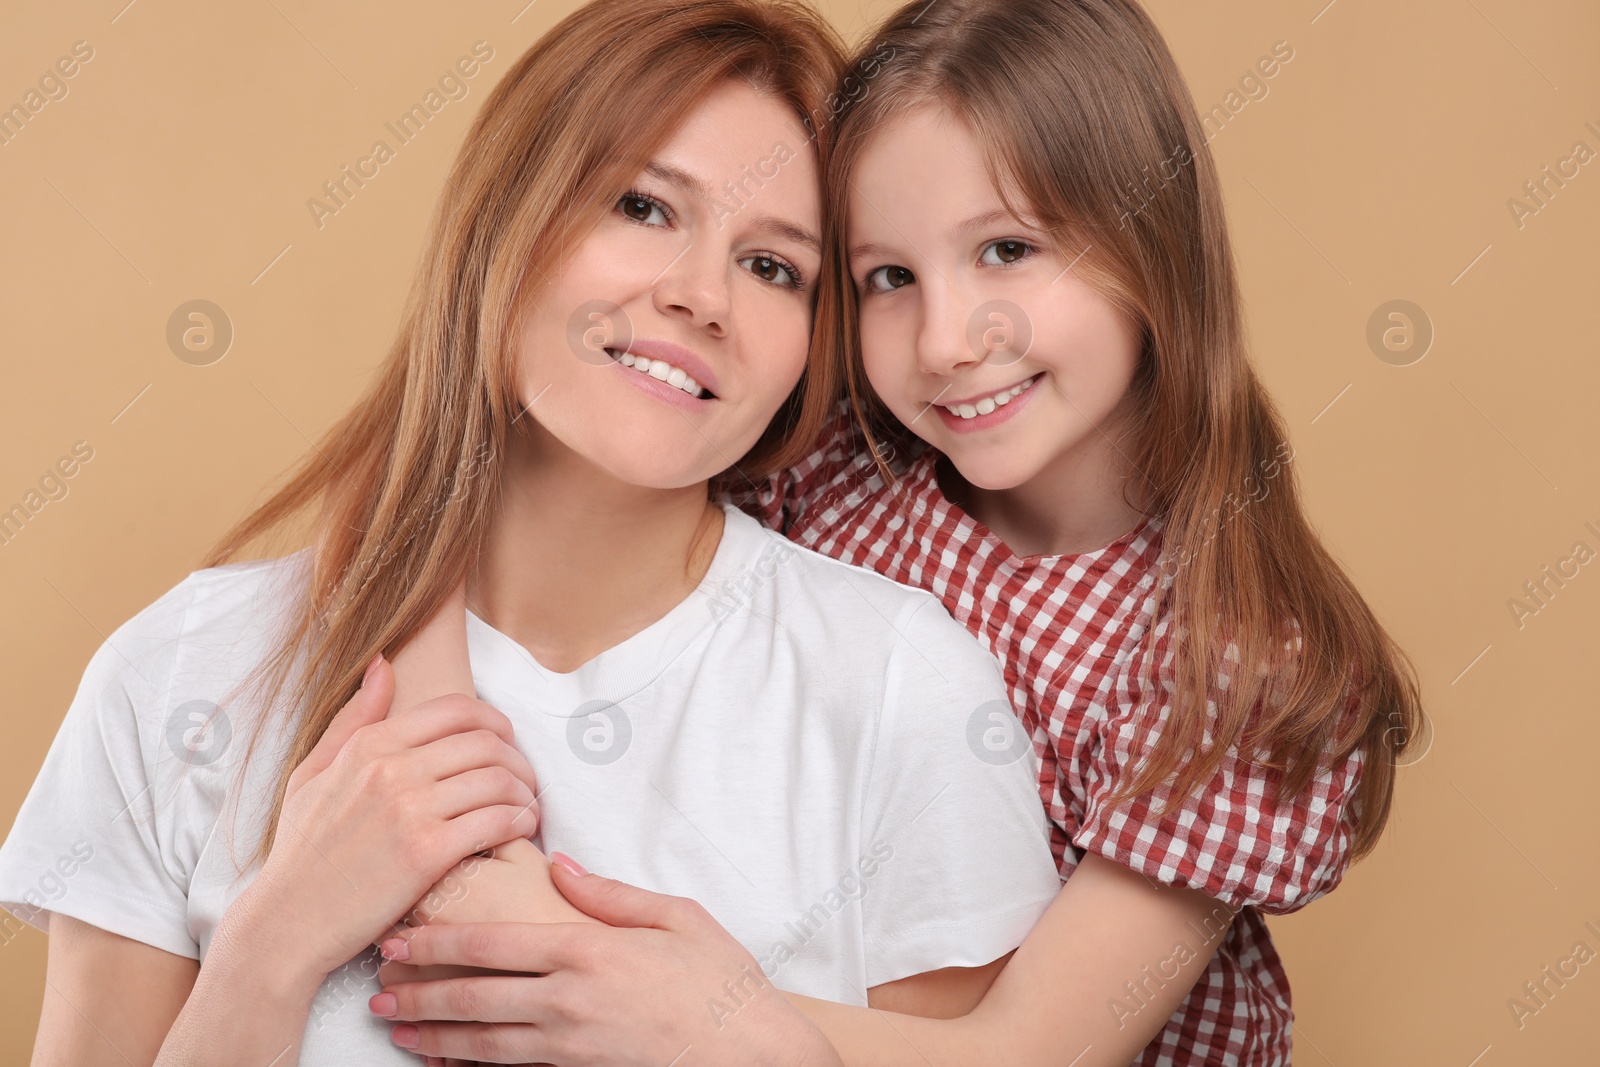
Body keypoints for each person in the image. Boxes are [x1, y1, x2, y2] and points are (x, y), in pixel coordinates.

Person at [0, 2, 1065, 1064]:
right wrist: (269, 947)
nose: (700, 295)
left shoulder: (896, 687)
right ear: (507, 217)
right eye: (644, 206)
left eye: (773, 266)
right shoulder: (183, 670)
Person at [367, 0, 1426, 1064]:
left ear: (1151, 243)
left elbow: (1030, 1052)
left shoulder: (1230, 656)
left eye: (1008, 248)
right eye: (889, 277)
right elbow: (449, 476)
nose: (948, 340)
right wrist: (463, 838)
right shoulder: (846, 470)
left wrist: (665, 1002)